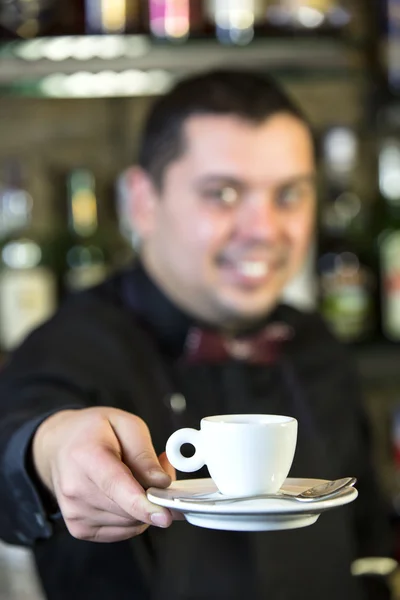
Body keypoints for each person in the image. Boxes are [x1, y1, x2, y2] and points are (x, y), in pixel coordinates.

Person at [0, 69, 394, 600]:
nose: (264, 229)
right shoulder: (74, 342)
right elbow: (20, 439)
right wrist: (52, 450)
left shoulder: (314, 341)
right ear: (143, 200)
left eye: (290, 194)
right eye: (224, 193)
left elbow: (365, 537)